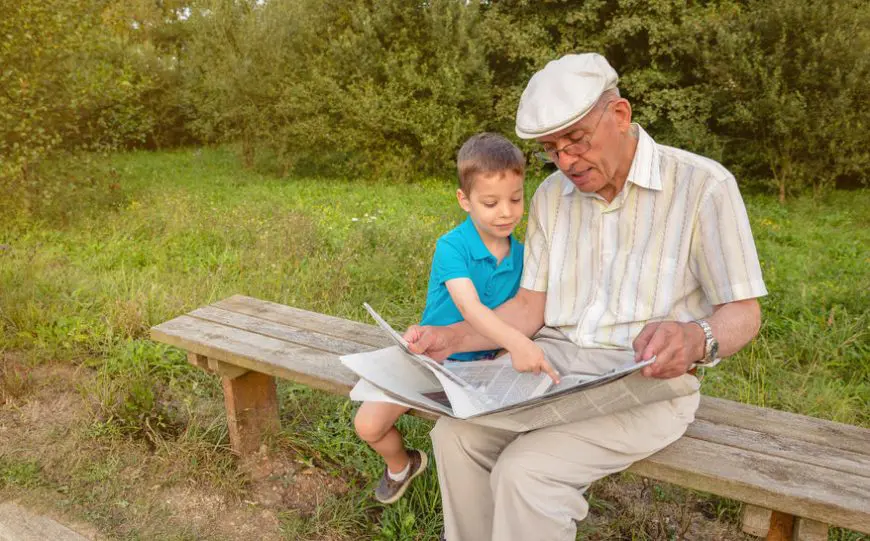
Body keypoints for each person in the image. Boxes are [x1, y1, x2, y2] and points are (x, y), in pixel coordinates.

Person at [405, 53, 768, 540]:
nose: (566, 161)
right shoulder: (551, 197)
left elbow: (744, 311)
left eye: (576, 141)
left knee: (527, 472)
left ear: (619, 116)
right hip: (551, 366)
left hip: (644, 383)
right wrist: (451, 337)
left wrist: (696, 337)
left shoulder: (704, 186)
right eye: (551, 150)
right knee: (455, 436)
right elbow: (531, 307)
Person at [353, 132, 542, 504]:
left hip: (484, 367)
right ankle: (401, 465)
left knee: (477, 443)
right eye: (490, 202)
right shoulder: (452, 247)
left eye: (516, 199)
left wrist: (510, 350)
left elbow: (527, 311)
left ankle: (469, 515)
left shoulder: (525, 256)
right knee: (368, 425)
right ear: (465, 200)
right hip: (432, 357)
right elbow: (471, 308)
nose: (506, 211)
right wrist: (517, 342)